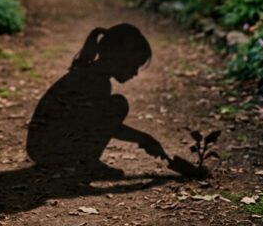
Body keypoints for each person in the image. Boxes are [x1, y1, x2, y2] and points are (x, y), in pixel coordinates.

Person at [25, 23, 169, 178]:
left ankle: (84, 161)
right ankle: (87, 163)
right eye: (133, 65)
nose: (135, 73)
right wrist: (144, 139)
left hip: (40, 149)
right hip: (48, 151)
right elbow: (106, 125)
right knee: (118, 105)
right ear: (119, 57)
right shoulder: (94, 82)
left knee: (114, 105)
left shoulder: (90, 75)